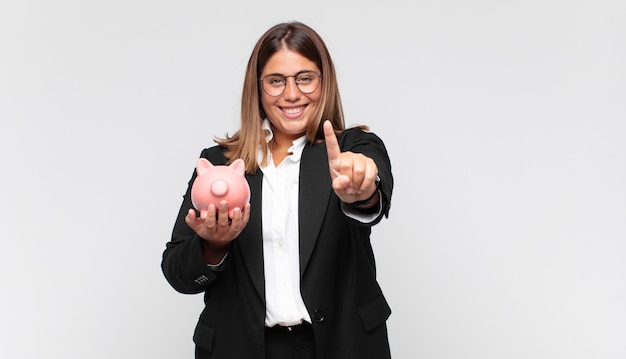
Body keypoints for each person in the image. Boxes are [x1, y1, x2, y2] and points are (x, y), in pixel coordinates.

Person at [161, 21, 394, 359]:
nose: (292, 93)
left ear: (323, 82)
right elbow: (177, 272)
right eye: (276, 81)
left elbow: (372, 189)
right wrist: (213, 244)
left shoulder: (353, 148)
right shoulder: (219, 164)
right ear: (257, 88)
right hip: (242, 347)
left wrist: (361, 191)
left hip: (340, 344)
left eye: (304, 78)